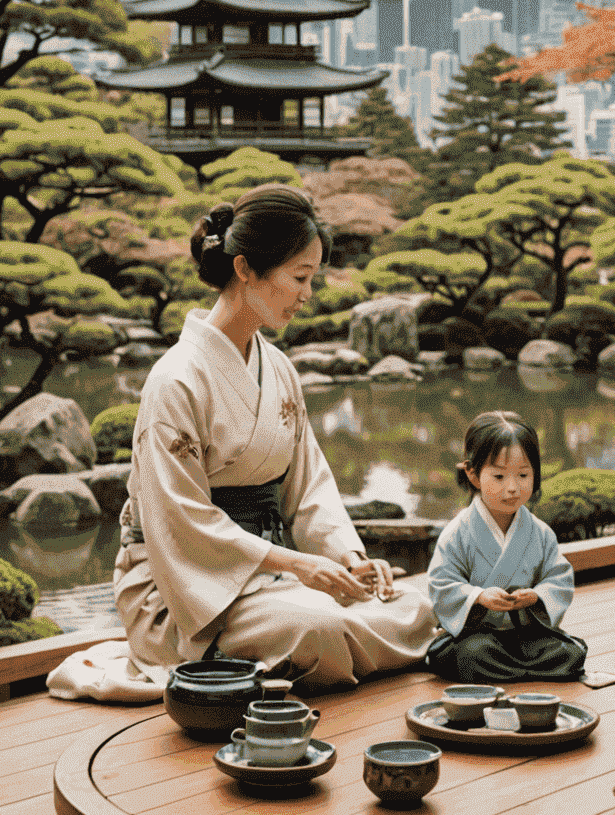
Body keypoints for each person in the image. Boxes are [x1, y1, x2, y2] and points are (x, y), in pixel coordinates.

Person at [112, 185, 437, 688]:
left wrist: (347, 559)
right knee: (318, 626)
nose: (308, 294)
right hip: (183, 592)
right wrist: (296, 564)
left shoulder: (279, 369)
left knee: (415, 605)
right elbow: (179, 520)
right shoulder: (175, 380)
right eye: (299, 277)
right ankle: (309, 637)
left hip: (273, 575)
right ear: (245, 269)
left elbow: (308, 488)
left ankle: (319, 633)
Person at [425, 411, 587, 683]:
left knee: (570, 653)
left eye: (523, 475)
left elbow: (559, 578)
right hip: (478, 636)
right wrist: (478, 597)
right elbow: (442, 584)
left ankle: (513, 670)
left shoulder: (539, 532)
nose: (513, 488)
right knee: (472, 654)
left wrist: (536, 597)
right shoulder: (457, 533)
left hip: (527, 635)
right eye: (499, 477)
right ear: (473, 475)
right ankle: (522, 671)